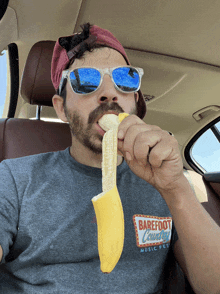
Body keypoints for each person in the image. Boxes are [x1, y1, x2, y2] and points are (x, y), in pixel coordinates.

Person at [0, 22, 219, 294]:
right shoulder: (13, 178)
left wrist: (175, 187)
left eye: (124, 79)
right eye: (85, 80)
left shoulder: (167, 183)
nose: (109, 93)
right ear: (62, 109)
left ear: (135, 102)